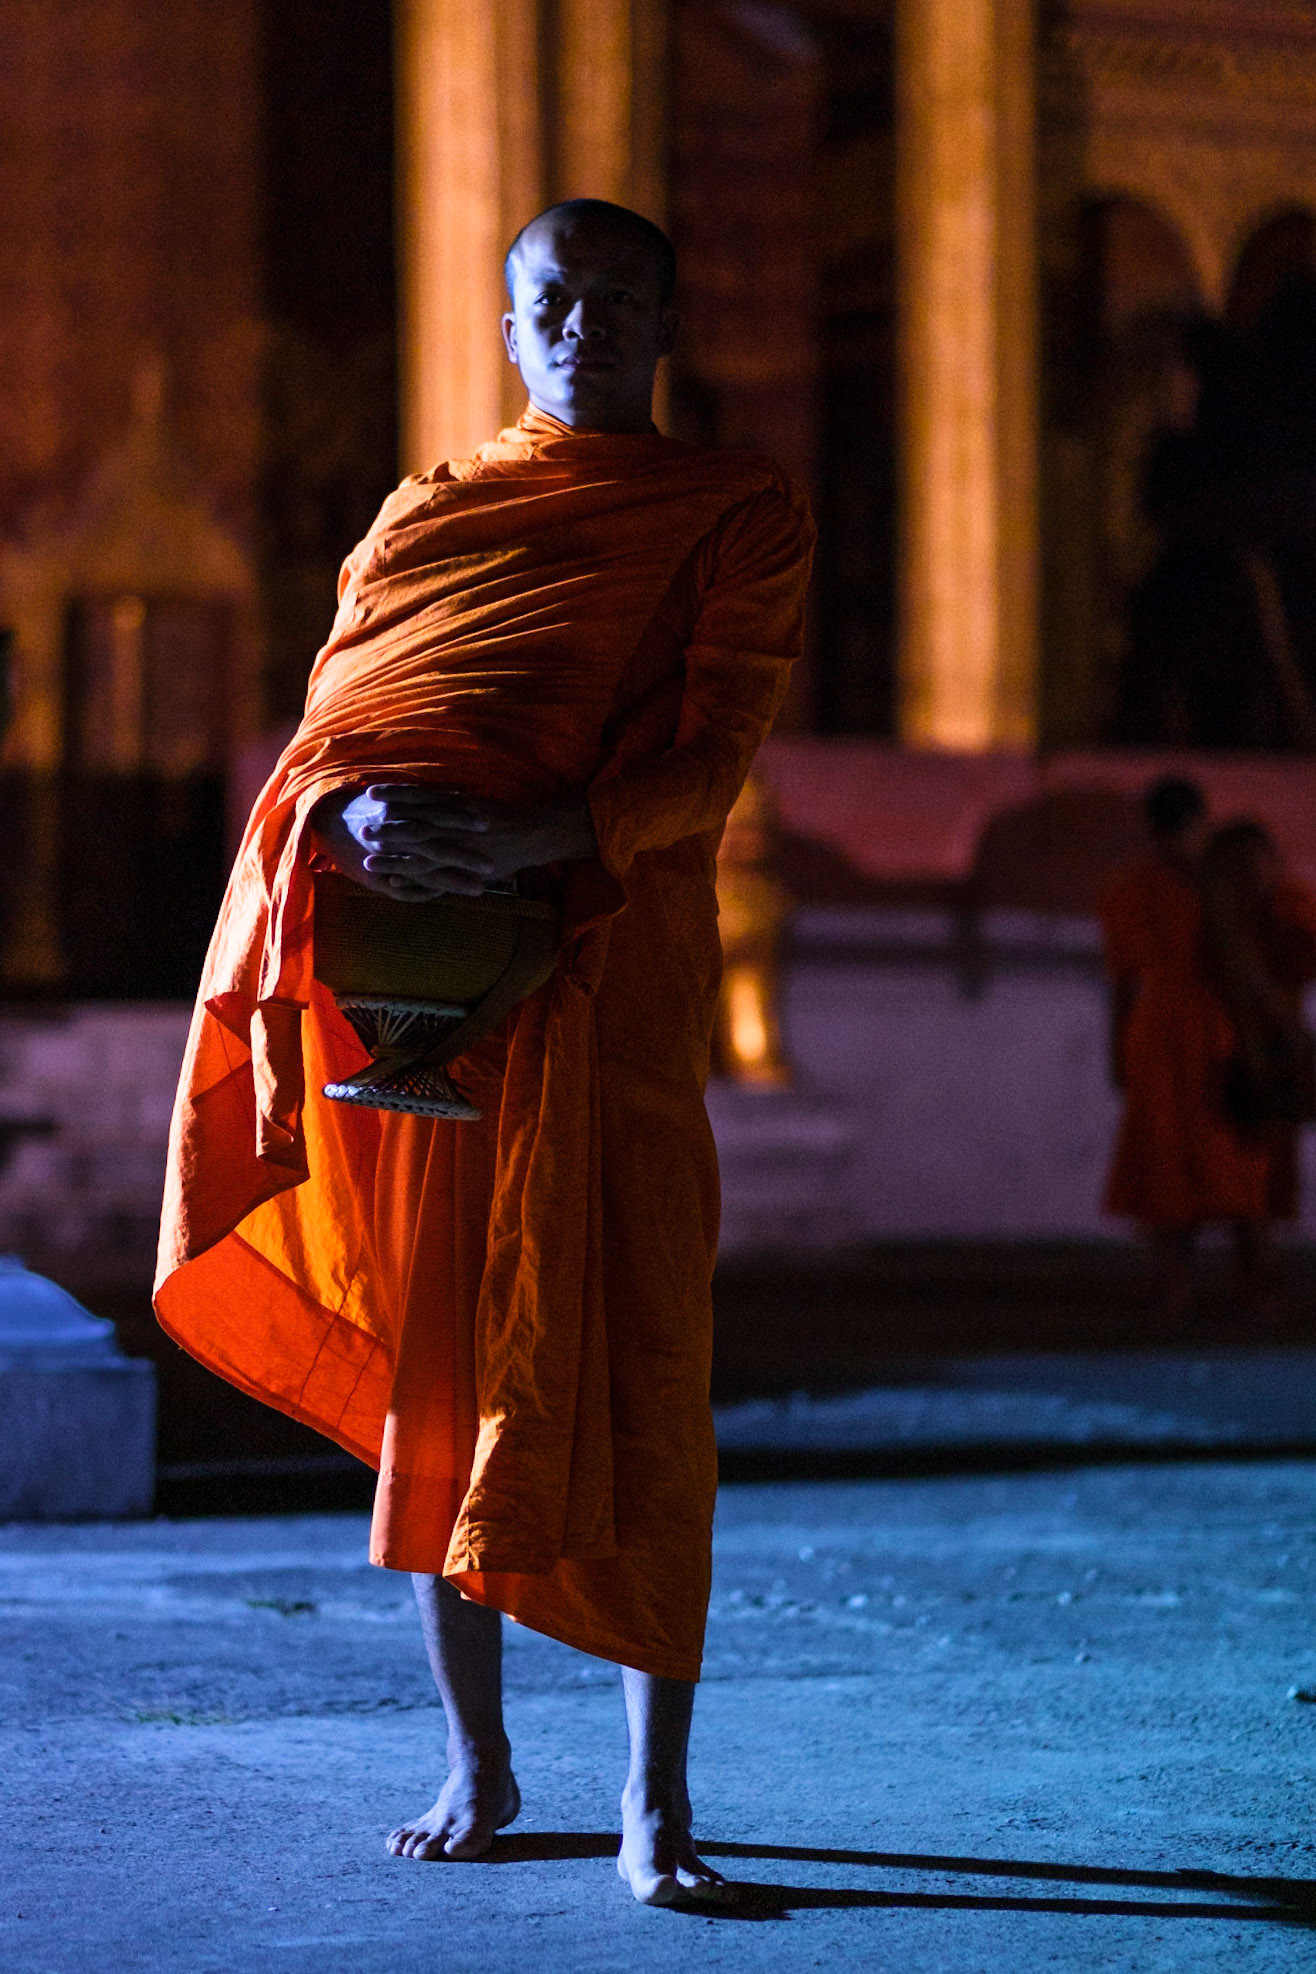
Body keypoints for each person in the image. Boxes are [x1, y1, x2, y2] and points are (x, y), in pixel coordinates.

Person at [154, 199, 815, 1905]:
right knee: (439, 1378)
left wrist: (538, 844)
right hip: (422, 990)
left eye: (618, 299)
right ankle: (478, 1756)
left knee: (643, 1367)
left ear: (665, 323)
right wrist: (359, 816)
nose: (585, 326)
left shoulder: (736, 513)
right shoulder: (429, 513)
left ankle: (654, 1803)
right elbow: (330, 728)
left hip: (605, 978)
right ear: (510, 331)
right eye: (554, 302)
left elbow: (709, 755)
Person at [1100, 778, 1316, 1321]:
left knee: (1245, 1170)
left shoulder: (1235, 883)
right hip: (1180, 1044)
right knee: (1170, 1170)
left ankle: (1250, 1289)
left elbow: (1276, 957)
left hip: (1227, 1042)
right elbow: (1125, 980)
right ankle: (1177, 1290)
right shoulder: (1144, 890)